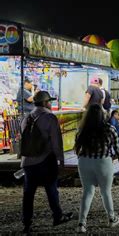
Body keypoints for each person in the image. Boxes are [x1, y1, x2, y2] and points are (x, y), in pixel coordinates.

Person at [20, 91, 72, 233]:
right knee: (51, 189)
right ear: (44, 103)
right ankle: (57, 216)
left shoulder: (26, 117)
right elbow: (56, 143)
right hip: (45, 160)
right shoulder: (49, 117)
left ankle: (27, 222)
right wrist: (61, 160)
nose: (51, 103)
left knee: (28, 193)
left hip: (28, 162)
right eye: (49, 101)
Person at [74, 104, 119, 233]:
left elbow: (77, 148)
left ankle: (82, 223)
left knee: (87, 192)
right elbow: (117, 148)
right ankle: (111, 218)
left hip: (84, 162)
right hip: (103, 162)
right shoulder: (110, 129)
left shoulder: (82, 130)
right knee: (106, 192)